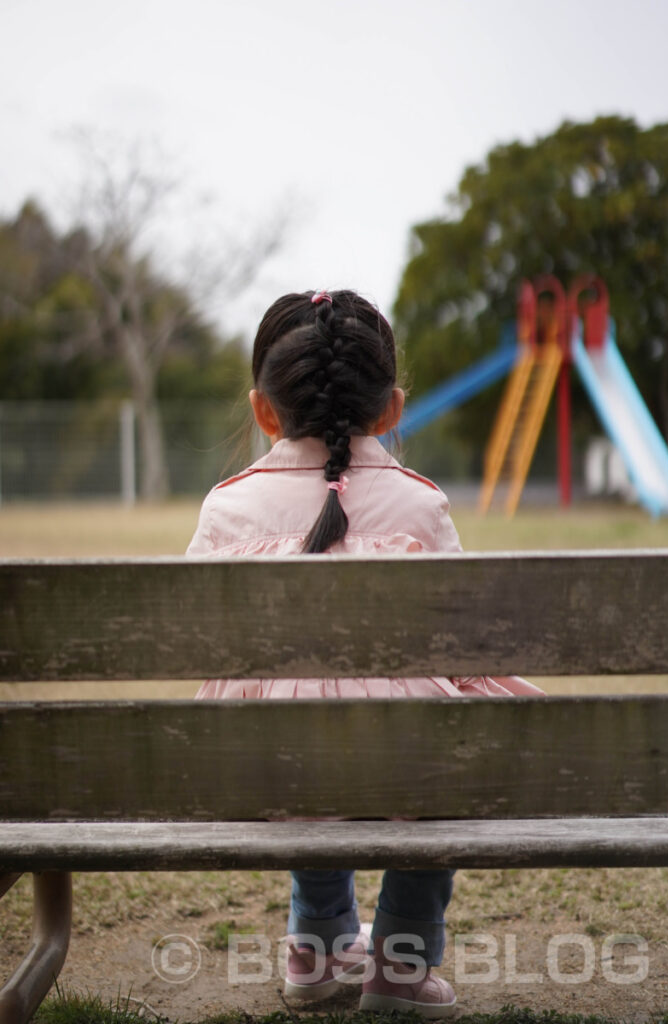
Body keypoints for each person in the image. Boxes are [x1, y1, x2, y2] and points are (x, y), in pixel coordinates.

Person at [187, 288, 544, 1017]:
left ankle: (315, 950)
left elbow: (202, 651)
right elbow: (466, 648)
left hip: (259, 772)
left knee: (298, 722)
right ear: (391, 409)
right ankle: (402, 966)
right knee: (441, 740)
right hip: (407, 767)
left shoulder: (225, 506)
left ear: (263, 410)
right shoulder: (420, 506)